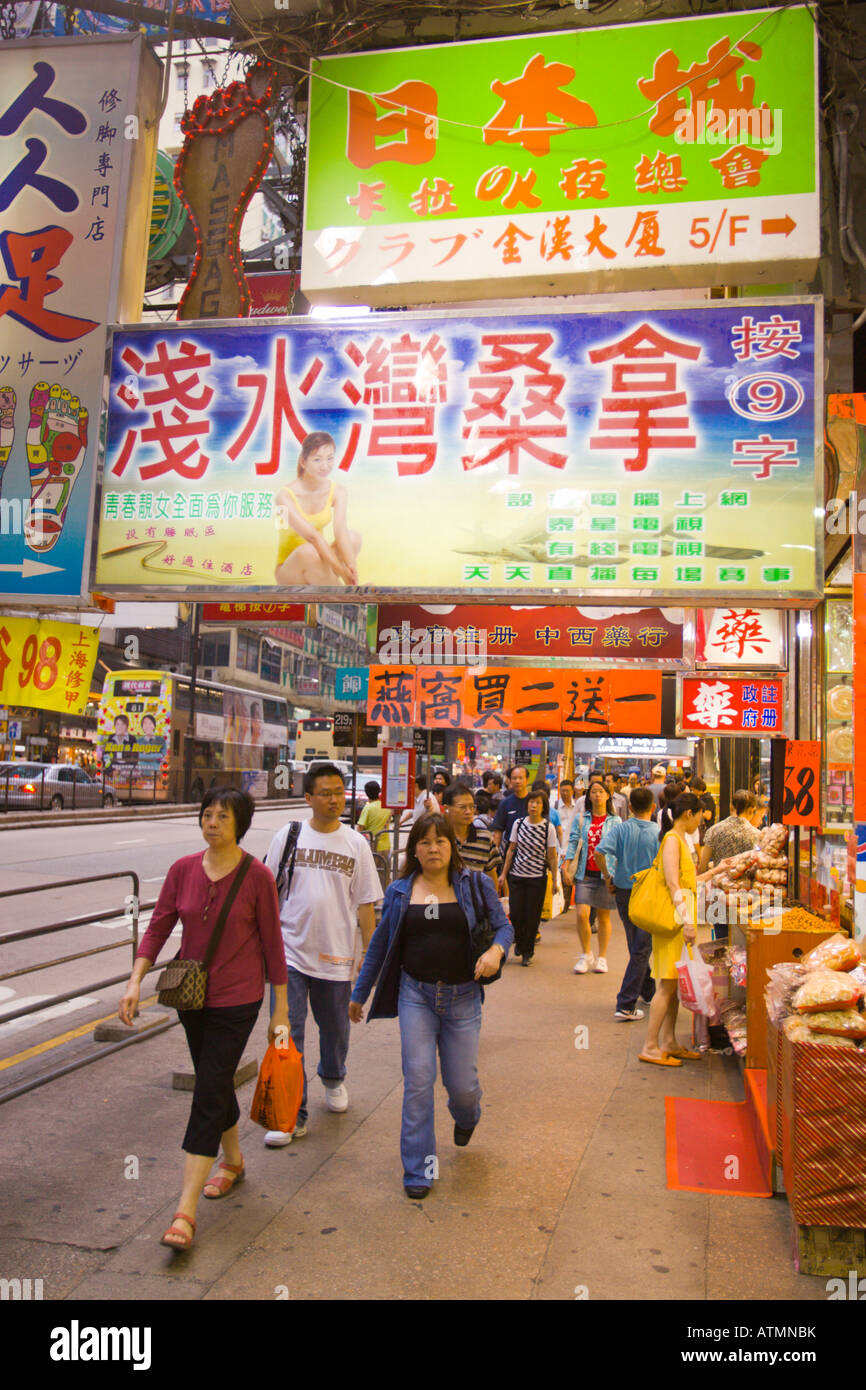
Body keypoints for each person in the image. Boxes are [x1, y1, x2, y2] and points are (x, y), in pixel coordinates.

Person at [119, 787, 288, 1252]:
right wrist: (135, 980)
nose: (212, 822)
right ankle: (232, 1160)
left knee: (208, 1089)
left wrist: (281, 1010)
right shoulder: (182, 870)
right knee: (213, 1082)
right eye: (207, 814)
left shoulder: (257, 877)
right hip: (192, 996)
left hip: (238, 1000)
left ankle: (185, 1211)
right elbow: (159, 926)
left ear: (241, 825)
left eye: (223, 816)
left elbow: (274, 946)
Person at [349, 813, 512, 1198]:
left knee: (463, 1087)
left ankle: (467, 1116)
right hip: (416, 996)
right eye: (425, 842)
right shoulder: (401, 890)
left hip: (463, 998)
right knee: (418, 1081)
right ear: (415, 849)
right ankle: (420, 1169)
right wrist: (360, 992)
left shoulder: (473, 883)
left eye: (441, 841)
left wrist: (495, 950)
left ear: (451, 846)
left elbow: (505, 925)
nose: (433, 848)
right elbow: (380, 944)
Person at [262, 763, 382, 1147]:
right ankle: (288, 1113)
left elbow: (366, 905)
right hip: (290, 954)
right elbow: (268, 893)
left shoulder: (356, 843)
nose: (334, 799)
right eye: (326, 793)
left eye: (339, 791)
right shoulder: (289, 835)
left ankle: (333, 1078)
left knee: (334, 1030)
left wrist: (369, 954)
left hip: (336, 956)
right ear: (308, 798)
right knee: (286, 1031)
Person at [639, 793, 732, 1066]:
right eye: (700, 816)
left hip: (680, 920)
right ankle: (650, 1046)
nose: (701, 822)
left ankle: (668, 1041)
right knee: (666, 986)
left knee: (673, 983)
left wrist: (716, 871)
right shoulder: (671, 840)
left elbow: (688, 881)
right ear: (689, 813)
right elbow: (672, 885)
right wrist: (688, 922)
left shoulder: (680, 840)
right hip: (673, 923)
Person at [595, 787, 659, 1021]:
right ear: (653, 808)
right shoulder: (660, 833)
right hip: (649, 894)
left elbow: (599, 852)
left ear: (630, 807)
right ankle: (626, 1003)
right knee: (641, 948)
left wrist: (607, 877)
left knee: (636, 945)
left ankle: (648, 989)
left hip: (623, 891)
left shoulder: (621, 829)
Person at [274, 431, 361, 586]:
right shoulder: (284, 496)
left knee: (353, 538)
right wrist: (340, 571)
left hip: (318, 557)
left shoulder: (338, 491)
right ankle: (344, 595)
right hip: (290, 570)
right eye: (317, 460)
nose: (325, 466)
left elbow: (340, 531)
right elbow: (313, 537)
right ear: (303, 462)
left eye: (330, 458)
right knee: (308, 551)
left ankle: (350, 588)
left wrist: (350, 569)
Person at [563, 781, 619, 975]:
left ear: (607, 796)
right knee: (581, 914)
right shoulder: (582, 818)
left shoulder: (615, 821)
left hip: (606, 874)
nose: (597, 795)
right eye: (593, 792)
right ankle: (586, 954)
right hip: (584, 873)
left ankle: (602, 957)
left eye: (600, 792)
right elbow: (573, 842)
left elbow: (618, 848)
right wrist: (566, 863)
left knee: (604, 917)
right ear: (588, 797)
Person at [498, 787, 559, 964]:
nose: (533, 805)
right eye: (531, 802)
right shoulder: (519, 823)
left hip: (537, 878)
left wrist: (555, 880)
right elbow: (511, 850)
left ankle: (527, 952)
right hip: (517, 876)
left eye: (538, 803)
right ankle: (520, 940)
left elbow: (552, 856)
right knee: (516, 914)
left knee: (532, 916)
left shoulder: (549, 828)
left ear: (543, 807)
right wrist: (503, 873)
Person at [442, 781, 501, 881]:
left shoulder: (484, 837)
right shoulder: (439, 837)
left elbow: (490, 874)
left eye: (472, 807)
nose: (469, 812)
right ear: (447, 809)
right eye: (462, 807)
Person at [698, 790, 760, 872]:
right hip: (745, 884)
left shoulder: (714, 830)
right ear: (751, 810)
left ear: (731, 806)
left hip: (719, 882)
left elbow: (702, 868)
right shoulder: (757, 835)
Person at [490, 763, 531, 850]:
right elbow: (498, 831)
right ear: (510, 781)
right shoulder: (505, 803)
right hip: (511, 851)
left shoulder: (535, 801)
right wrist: (494, 854)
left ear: (527, 780)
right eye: (514, 778)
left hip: (532, 851)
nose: (517, 781)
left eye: (521, 778)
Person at [552, 779, 579, 908]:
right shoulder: (556, 806)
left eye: (567, 791)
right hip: (559, 845)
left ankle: (569, 901)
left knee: (571, 871)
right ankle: (564, 902)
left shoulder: (578, 806)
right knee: (562, 872)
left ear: (572, 791)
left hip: (573, 844)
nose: (565, 793)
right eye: (562, 791)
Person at [357, 779, 391, 853]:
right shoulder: (385, 807)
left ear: (366, 793)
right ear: (379, 791)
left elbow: (360, 829)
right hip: (386, 846)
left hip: (372, 847)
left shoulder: (368, 808)